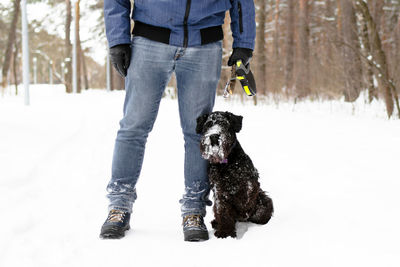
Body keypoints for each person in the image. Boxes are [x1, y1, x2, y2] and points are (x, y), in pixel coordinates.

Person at [100, 0, 256, 241]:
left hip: (205, 44)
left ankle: (194, 210)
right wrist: (118, 38)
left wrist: (244, 44)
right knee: (134, 126)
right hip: (149, 40)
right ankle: (118, 205)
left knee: (198, 133)